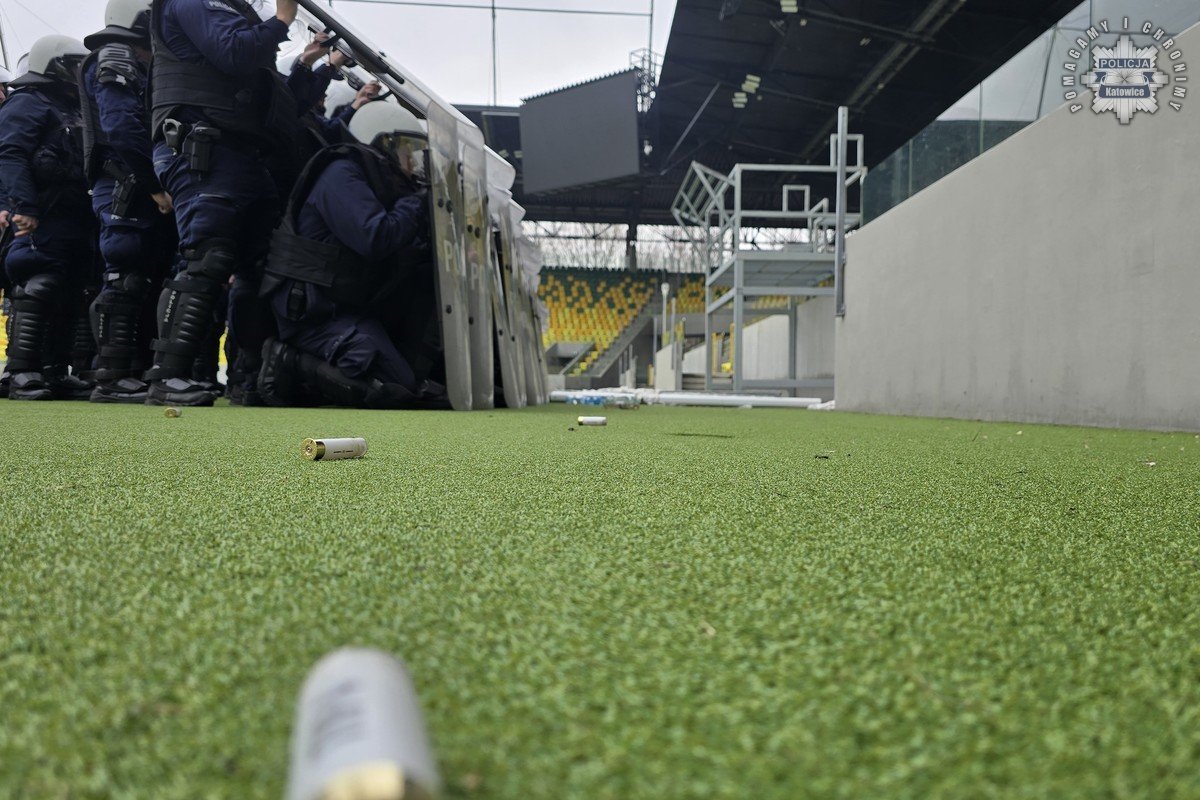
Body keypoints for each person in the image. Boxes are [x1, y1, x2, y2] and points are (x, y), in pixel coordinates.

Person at [143, 0, 306, 406]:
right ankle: (169, 376)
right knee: (207, 258)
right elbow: (232, 52)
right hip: (204, 147)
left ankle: (247, 379)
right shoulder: (192, 1)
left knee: (262, 267)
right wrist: (282, 19)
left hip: (238, 152)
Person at [257, 101, 442, 408]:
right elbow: (377, 237)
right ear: (381, 142)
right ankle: (286, 359)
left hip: (342, 305)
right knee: (391, 384)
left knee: (406, 383)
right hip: (312, 313)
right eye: (407, 148)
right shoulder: (341, 173)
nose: (412, 160)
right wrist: (417, 200)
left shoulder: (375, 179)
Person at [80, 0, 180, 403]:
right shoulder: (117, 55)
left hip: (132, 184)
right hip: (129, 185)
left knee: (141, 277)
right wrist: (155, 182)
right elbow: (122, 126)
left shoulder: (131, 59)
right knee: (125, 276)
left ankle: (127, 371)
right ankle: (111, 375)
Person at [0, 36, 95, 401]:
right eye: (72, 65)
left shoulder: (68, 106)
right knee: (39, 284)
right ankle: (22, 371)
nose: (77, 73)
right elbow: (10, 154)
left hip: (74, 213)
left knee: (70, 290)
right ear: (54, 65)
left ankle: (56, 370)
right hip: (43, 211)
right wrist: (24, 206)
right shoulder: (27, 103)